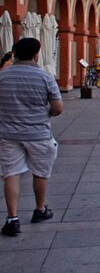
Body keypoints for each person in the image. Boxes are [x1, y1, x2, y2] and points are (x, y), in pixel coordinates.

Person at [0, 38, 63, 236]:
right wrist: (48, 113)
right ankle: (40, 209)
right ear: (36, 54)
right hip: (38, 133)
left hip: (8, 134)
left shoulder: (2, 76)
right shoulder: (44, 77)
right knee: (40, 172)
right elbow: (58, 108)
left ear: (15, 54)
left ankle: (12, 218)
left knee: (11, 173)